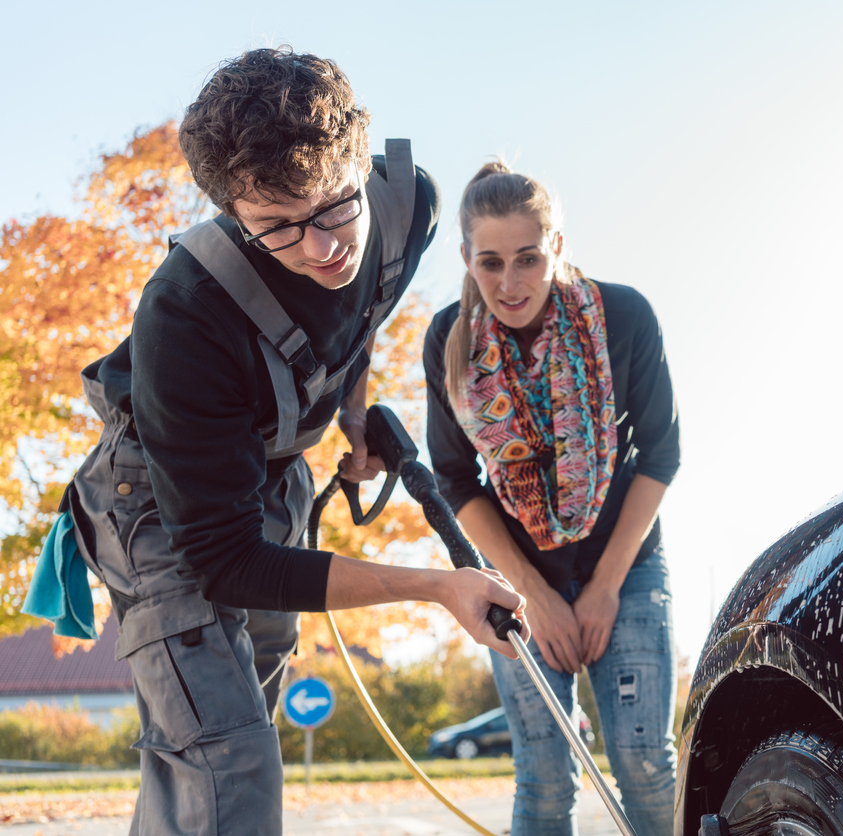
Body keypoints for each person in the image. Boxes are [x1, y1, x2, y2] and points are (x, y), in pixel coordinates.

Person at [65, 48, 528, 835]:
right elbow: (227, 559)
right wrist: (437, 585)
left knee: (230, 731)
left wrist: (351, 416)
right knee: (230, 763)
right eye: (277, 227)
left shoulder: (407, 204)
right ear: (233, 215)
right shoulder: (185, 314)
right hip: (160, 502)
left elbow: (363, 314)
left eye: (333, 206)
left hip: (274, 474)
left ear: (360, 162)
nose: (321, 248)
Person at [424, 161, 680, 836]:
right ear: (465, 258)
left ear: (557, 247)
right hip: (519, 576)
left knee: (642, 761)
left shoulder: (623, 316)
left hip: (626, 569)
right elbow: (455, 480)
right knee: (542, 770)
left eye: (528, 259)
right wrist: (534, 595)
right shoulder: (448, 341)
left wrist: (601, 589)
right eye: (490, 263)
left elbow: (660, 454)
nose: (509, 284)